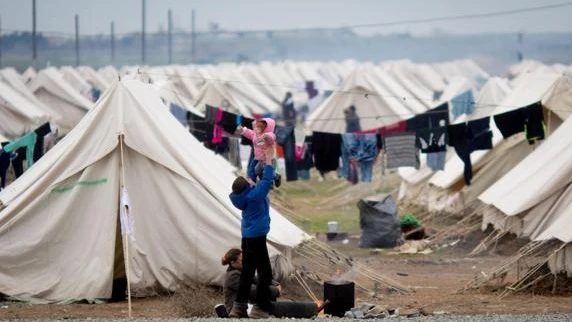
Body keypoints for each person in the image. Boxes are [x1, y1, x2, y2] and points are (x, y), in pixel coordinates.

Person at [228, 147, 276, 318]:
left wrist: (257, 157)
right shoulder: (255, 195)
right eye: (248, 181)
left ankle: (238, 307)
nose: (250, 180)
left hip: (247, 238)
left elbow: (250, 174)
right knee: (266, 273)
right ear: (247, 187)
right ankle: (259, 308)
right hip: (257, 238)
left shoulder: (242, 197)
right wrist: (269, 158)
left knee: (248, 272)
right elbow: (267, 178)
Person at [220, 248, 282, 315]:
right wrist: (276, 290)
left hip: (248, 307)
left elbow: (259, 280)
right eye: (242, 260)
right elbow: (252, 290)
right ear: (233, 262)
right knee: (284, 308)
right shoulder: (232, 276)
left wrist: (276, 284)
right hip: (236, 311)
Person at [237, 118, 281, 187]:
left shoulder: (269, 134)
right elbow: (249, 133)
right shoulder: (255, 134)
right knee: (256, 170)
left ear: (265, 128)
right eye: (257, 127)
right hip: (258, 158)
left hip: (267, 159)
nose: (256, 129)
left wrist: (266, 136)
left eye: (259, 128)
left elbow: (272, 137)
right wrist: (243, 130)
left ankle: (276, 176)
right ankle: (253, 182)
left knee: (265, 172)